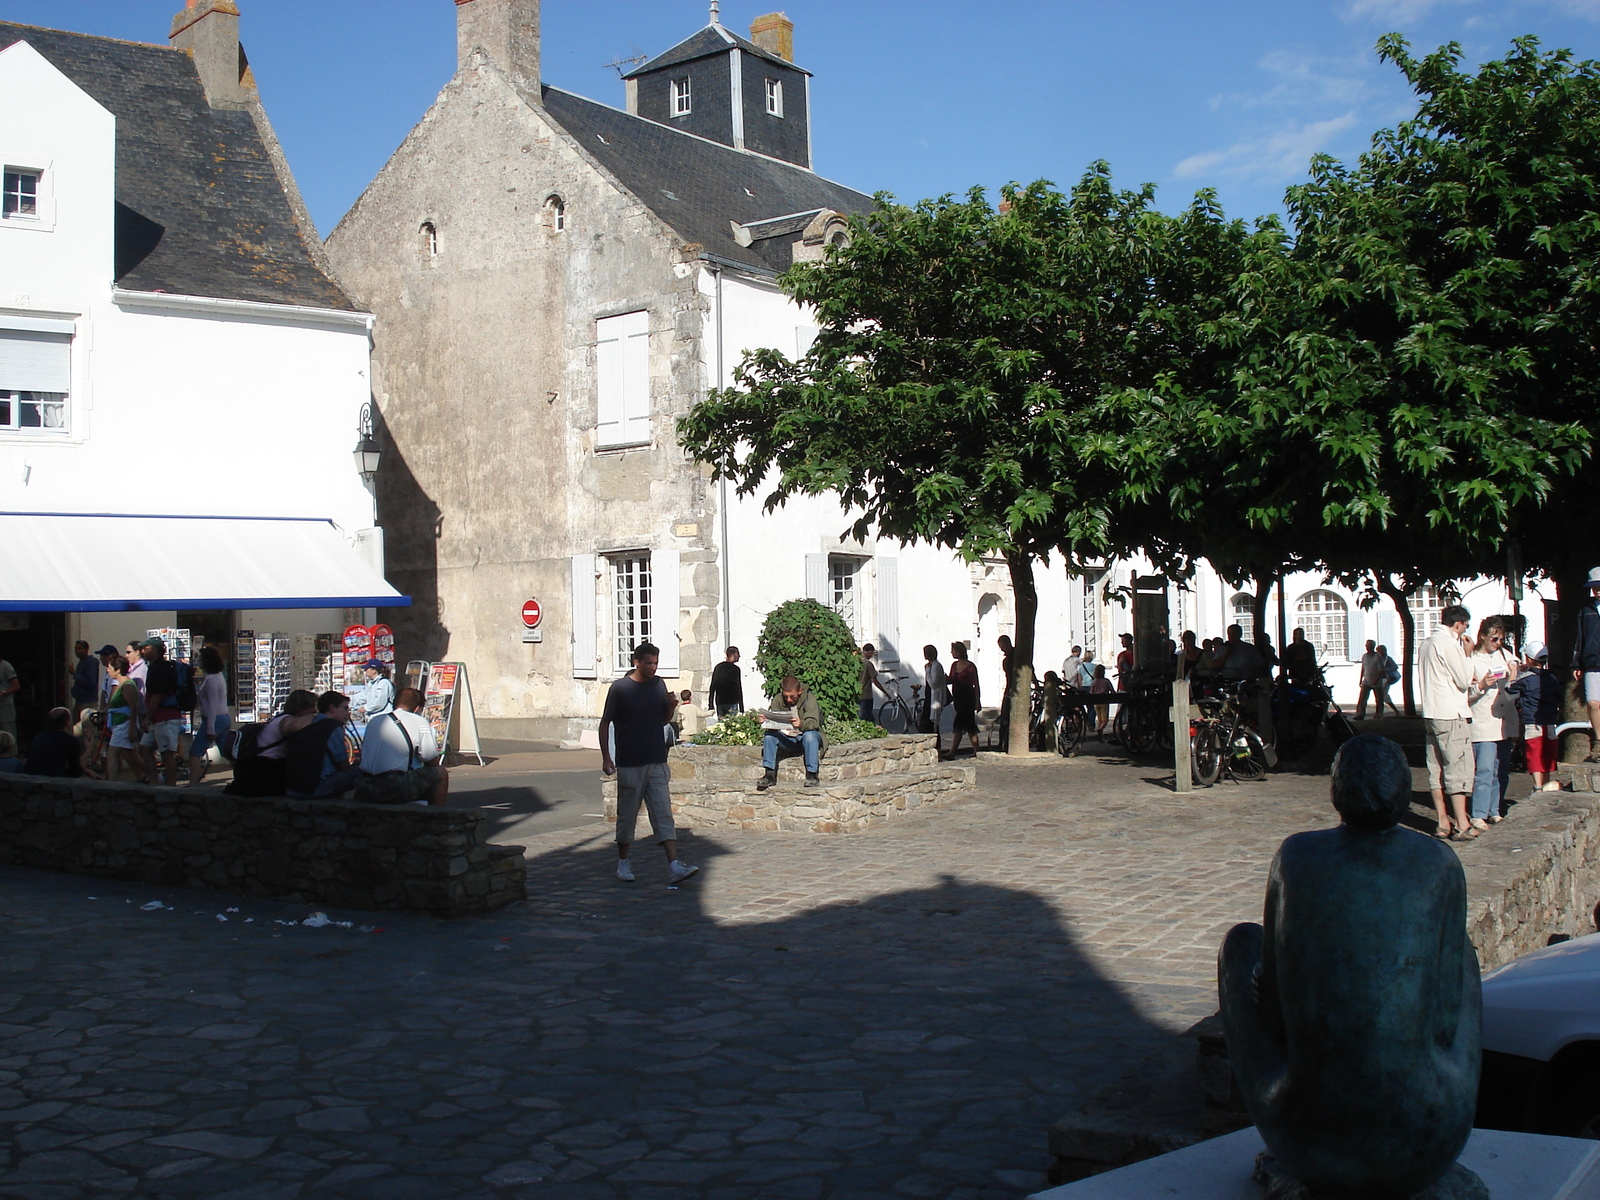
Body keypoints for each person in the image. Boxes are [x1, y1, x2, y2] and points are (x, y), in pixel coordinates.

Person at [1218, 735, 1479, 1199]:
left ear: (1337, 791)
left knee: (1241, 946)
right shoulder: (1439, 862)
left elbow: (1277, 1020)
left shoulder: (1296, 856)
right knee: (1460, 953)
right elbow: (1442, 1024)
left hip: (1309, 1138)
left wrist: (1271, 983)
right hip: (1428, 1141)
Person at [600, 642, 697, 884]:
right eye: (649, 663)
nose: (653, 667)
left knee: (663, 813)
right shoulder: (620, 689)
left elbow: (662, 720)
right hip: (631, 760)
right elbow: (605, 723)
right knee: (628, 814)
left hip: (656, 759)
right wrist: (606, 757)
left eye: (656, 663)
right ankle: (623, 862)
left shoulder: (658, 685)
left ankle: (674, 864)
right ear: (637, 662)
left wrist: (671, 707)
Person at [1420, 604, 1475, 841]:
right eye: (1465, 626)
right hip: (1450, 712)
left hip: (1431, 712)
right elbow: (1463, 680)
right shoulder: (1449, 644)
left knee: (1436, 768)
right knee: (1456, 768)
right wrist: (1468, 653)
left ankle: (1443, 822)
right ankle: (1462, 823)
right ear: (1458, 624)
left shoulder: (1427, 643)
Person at [1466, 619, 1520, 829]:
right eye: (1494, 639)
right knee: (1485, 769)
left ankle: (1494, 810)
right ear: (1482, 636)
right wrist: (1481, 685)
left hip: (1505, 720)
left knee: (1501, 769)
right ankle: (1478, 813)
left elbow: (1515, 676)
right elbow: (1464, 693)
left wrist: (1514, 674)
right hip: (1483, 720)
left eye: (1501, 639)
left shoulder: (1506, 655)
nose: (1497, 643)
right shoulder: (1471, 660)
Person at [357, 687, 448, 806]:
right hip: (393, 786)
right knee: (441, 773)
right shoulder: (419, 722)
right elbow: (431, 760)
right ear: (417, 708)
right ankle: (437, 817)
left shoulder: (375, 721)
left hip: (365, 785)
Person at [226, 689, 318, 797]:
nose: (314, 710)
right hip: (263, 773)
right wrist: (321, 718)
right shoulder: (286, 720)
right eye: (312, 707)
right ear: (300, 708)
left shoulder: (278, 718)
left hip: (253, 772)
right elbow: (296, 726)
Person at [286, 691, 363, 799]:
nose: (347, 713)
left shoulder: (309, 723)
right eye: (345, 708)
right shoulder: (332, 727)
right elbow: (343, 764)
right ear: (332, 708)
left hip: (297, 787)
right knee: (361, 771)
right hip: (319, 786)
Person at [1509, 643, 1563, 794]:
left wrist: (1514, 672)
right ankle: (1546, 785)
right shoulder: (1552, 678)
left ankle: (1538, 786)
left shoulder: (1526, 678)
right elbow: (1559, 697)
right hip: (1550, 721)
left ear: (1530, 659)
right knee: (1548, 753)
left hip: (1533, 722)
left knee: (1534, 753)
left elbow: (1509, 689)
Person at [756, 674, 824, 789]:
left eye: (792, 696)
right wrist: (766, 721)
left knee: (810, 736)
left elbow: (814, 723)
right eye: (786, 696)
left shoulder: (809, 699)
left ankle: (812, 775)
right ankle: (769, 774)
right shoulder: (778, 699)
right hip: (787, 738)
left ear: (799, 691)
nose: (789, 700)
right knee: (769, 736)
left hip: (804, 738)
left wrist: (801, 724)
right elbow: (774, 723)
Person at [138, 638, 185, 785]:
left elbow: (157, 695)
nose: (142, 651)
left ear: (155, 650)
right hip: (157, 718)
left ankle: (171, 786)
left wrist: (147, 717)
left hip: (166, 717)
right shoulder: (153, 667)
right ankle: (155, 781)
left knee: (166, 754)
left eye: (146, 648)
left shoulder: (160, 668)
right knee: (144, 748)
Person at [186, 645, 230, 788]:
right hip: (223, 718)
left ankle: (193, 783)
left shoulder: (211, 679)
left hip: (214, 719)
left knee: (195, 752)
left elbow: (212, 705)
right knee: (227, 752)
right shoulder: (219, 676)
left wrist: (210, 728)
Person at [103, 656, 148, 783]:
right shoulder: (122, 684)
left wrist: (131, 730)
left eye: (110, 668)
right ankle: (151, 775)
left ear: (118, 670)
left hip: (124, 723)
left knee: (113, 754)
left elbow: (133, 707)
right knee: (131, 756)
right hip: (119, 723)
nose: (108, 671)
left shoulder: (127, 685)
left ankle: (111, 784)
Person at [1573, 567, 1600, 760]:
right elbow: (1580, 638)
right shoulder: (1585, 610)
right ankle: (1599, 741)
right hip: (1591, 661)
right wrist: (1576, 664)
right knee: (1593, 702)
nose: (1597, 590)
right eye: (1594, 587)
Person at [23, 708, 84, 778]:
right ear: (67, 723)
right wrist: (89, 749)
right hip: (52, 783)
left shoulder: (39, 737)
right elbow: (75, 772)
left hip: (30, 779)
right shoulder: (71, 741)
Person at [948, 641, 980, 758]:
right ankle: (977, 750)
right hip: (958, 698)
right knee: (969, 724)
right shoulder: (954, 665)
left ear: (959, 651)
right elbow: (951, 679)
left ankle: (952, 752)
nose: (951, 652)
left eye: (953, 650)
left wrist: (977, 700)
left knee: (959, 723)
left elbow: (976, 684)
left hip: (968, 698)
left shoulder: (970, 667)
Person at [921, 644, 949, 754]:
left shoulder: (936, 666)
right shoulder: (931, 665)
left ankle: (936, 749)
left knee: (931, 725)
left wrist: (927, 671)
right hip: (929, 698)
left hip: (934, 700)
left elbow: (933, 684)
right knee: (925, 724)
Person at [708, 646, 744, 719]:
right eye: (738, 654)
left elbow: (713, 686)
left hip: (720, 701)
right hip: (732, 702)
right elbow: (738, 688)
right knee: (732, 725)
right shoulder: (735, 669)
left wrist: (711, 704)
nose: (739, 656)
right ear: (734, 655)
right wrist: (741, 707)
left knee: (722, 725)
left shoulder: (718, 667)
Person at [858, 644, 888, 723]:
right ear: (868, 652)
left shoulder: (857, 662)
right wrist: (885, 692)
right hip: (866, 695)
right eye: (872, 653)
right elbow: (875, 680)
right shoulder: (868, 664)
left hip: (857, 694)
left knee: (868, 717)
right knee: (864, 717)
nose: (872, 655)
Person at [1354, 641, 1384, 719]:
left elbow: (1381, 670)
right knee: (1362, 698)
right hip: (1366, 680)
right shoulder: (1364, 656)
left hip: (1376, 681)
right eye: (1366, 646)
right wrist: (1360, 679)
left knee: (1379, 699)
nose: (1366, 647)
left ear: (1372, 646)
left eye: (1368, 646)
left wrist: (1377, 680)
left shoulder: (1377, 656)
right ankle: (1360, 714)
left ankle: (1378, 714)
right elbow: (1363, 668)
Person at [70, 641, 99, 718]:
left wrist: (74, 674)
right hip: (80, 701)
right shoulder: (82, 662)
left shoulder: (91, 662)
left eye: (80, 648)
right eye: (76, 648)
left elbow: (91, 683)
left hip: (88, 702)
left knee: (86, 727)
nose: (77, 651)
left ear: (86, 649)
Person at [1374, 644, 1402, 718]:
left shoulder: (1388, 659)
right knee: (1380, 696)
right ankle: (1380, 713)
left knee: (1383, 695)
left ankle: (1393, 711)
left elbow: (1395, 666)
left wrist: (1386, 670)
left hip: (1386, 679)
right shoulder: (1378, 659)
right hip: (1379, 679)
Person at [1089, 664, 1114, 735]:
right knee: (1105, 720)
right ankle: (1100, 729)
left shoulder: (1094, 682)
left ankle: (1100, 735)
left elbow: (1091, 693)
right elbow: (1112, 691)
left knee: (1099, 719)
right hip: (1104, 701)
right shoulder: (1106, 681)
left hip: (1096, 702)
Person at [0, 655, 18, 741]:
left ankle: (12, 753)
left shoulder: (5, 666)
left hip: (5, 705)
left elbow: (16, 685)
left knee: (8, 732)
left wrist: (4, 693)